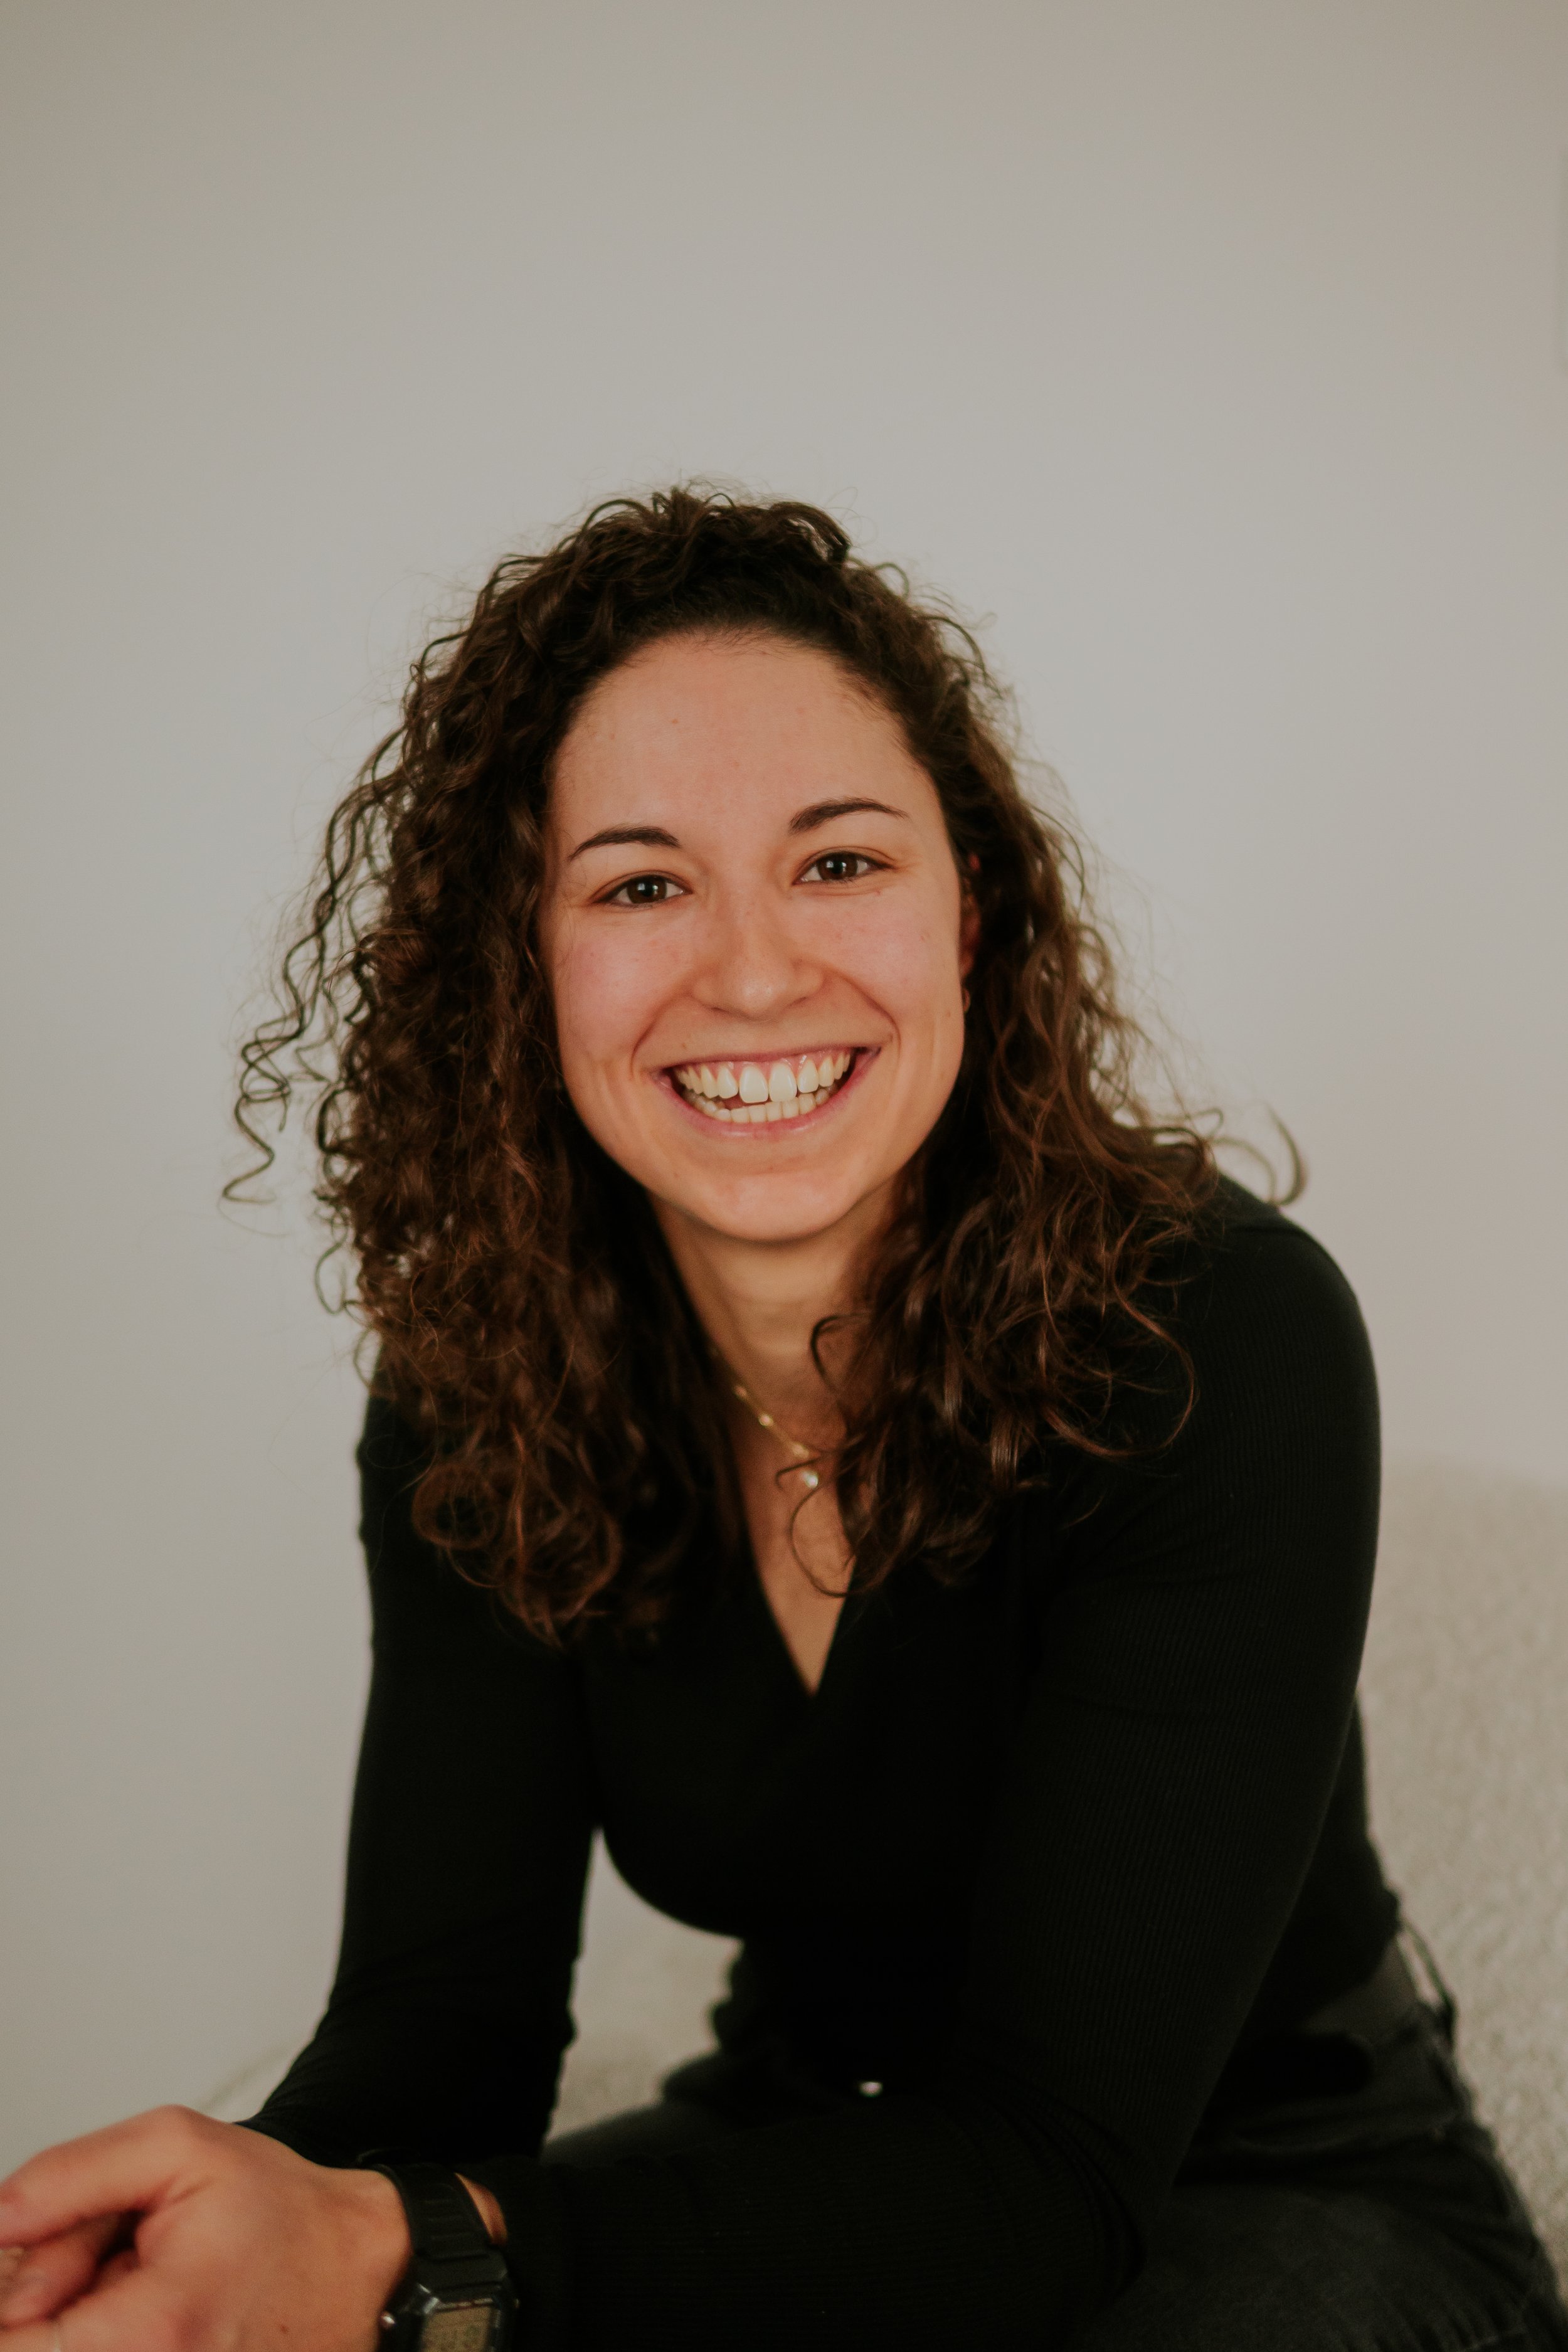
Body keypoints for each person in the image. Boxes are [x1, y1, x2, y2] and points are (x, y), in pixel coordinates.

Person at [1, 489, 1562, 2352]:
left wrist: (411, 2258)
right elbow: (445, 2035)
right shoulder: (477, 1389)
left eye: (838, 862)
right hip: (815, 2156)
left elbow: (1051, 2177)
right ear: (532, 966)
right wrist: (236, 2228)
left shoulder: (1215, 1336)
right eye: (641, 882)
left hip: (1262, 2206)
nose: (749, 971)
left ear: (966, 917)